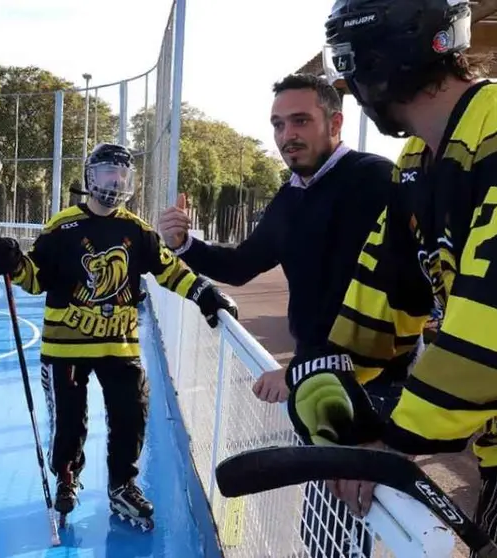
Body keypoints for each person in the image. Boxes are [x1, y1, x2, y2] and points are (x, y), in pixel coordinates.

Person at [286, 1, 497, 556]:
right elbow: (383, 293)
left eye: (346, 63)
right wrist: (329, 381)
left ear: (371, 62)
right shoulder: (419, 161)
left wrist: (396, 440)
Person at [158, 72, 403, 557]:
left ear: (335, 123)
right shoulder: (292, 194)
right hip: (320, 380)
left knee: (352, 524)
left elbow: (390, 298)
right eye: (278, 124)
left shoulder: (374, 180)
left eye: (300, 121)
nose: (287, 135)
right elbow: (242, 265)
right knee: (327, 530)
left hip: (372, 386)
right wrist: (184, 245)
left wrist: (299, 372)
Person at [0, 143, 238, 530]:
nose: (116, 181)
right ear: (91, 177)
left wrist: (204, 292)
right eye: (108, 172)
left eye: (122, 174)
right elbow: (35, 278)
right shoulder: (63, 227)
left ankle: (122, 485)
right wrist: (13, 262)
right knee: (68, 421)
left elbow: (170, 270)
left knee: (131, 414)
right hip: (65, 348)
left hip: (119, 346)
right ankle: (66, 476)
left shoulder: (137, 230)